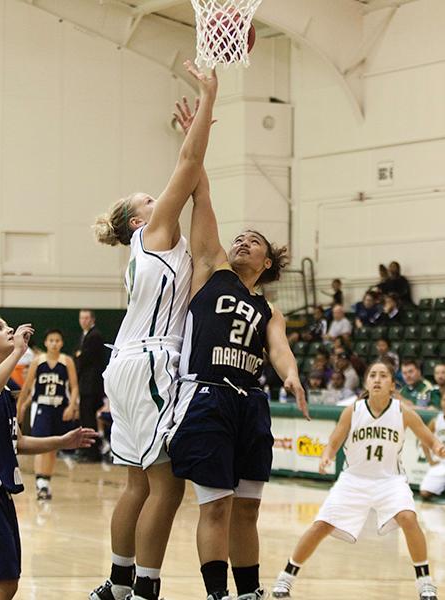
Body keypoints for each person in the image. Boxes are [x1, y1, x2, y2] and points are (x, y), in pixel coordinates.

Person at [167, 99, 308, 600]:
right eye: (240, 237)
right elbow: (199, 193)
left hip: (250, 402)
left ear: (268, 262)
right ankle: (217, 594)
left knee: (248, 507)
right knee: (217, 506)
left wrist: (291, 376)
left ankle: (248, 592)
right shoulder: (212, 270)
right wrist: (195, 137)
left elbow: (280, 350)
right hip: (206, 396)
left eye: (254, 241)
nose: (243, 242)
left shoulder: (269, 309)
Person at [89, 62, 218, 600]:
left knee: (137, 482)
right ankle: (145, 590)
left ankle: (118, 586)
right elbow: (187, 166)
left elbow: (198, 191)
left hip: (128, 364)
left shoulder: (163, 247)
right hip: (152, 362)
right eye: (148, 199)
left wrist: (201, 138)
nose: (158, 197)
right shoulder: (154, 235)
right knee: (166, 483)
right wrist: (208, 102)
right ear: (139, 220)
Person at [272, 359, 445, 600]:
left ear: (392, 385)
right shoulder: (353, 410)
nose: (377, 379)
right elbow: (333, 442)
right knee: (321, 525)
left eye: (383, 375)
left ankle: (425, 582)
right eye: (372, 375)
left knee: (408, 517)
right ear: (366, 382)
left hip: (390, 481)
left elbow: (429, 438)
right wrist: (326, 457)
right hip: (353, 479)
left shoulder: (403, 412)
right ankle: (286, 578)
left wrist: (438, 447)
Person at [0, 314, 96, 600]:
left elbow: (17, 443)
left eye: (7, 325)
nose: (9, 329)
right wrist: (20, 352)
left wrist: (62, 440)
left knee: (6, 579)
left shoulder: (5, 388)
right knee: (4, 580)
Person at [17, 329, 78, 500]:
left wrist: (71, 406)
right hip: (42, 406)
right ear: (45, 343)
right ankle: (40, 482)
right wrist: (20, 408)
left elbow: (74, 388)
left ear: (62, 343)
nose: (54, 343)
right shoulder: (38, 361)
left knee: (53, 446)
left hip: (60, 407)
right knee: (40, 445)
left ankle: (46, 481)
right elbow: (27, 387)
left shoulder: (67, 361)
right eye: (51, 340)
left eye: (57, 340)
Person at [74, 309, 105, 461]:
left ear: (93, 319)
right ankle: (88, 450)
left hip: (91, 386)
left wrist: (79, 356)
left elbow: (84, 358)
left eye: (86, 318)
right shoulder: (84, 335)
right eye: (81, 318)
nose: (84, 321)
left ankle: (92, 452)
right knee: (86, 418)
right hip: (85, 385)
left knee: (89, 418)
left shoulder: (95, 336)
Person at [420, 393, 445, 501]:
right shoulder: (436, 421)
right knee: (424, 493)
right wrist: (430, 461)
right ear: (441, 402)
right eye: (444, 399)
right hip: (441, 463)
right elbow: (424, 441)